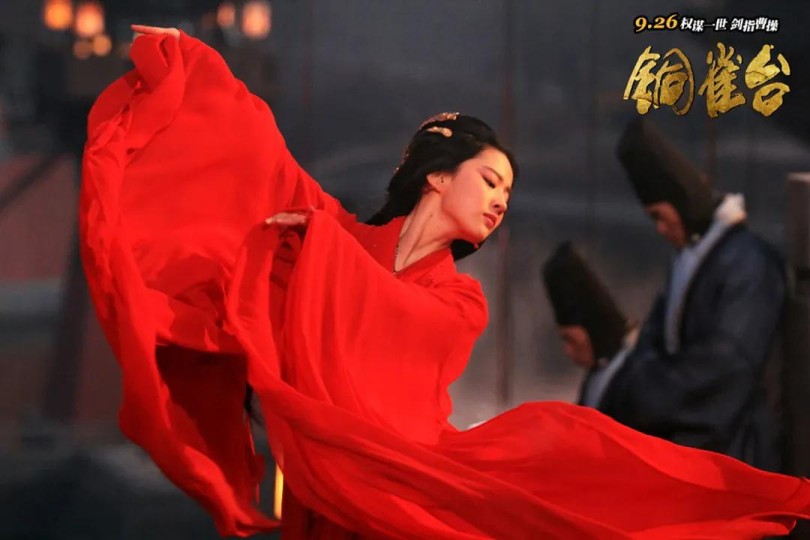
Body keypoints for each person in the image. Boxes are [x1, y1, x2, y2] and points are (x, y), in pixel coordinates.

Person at [78, 26, 810, 538]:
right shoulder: (342, 234)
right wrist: (186, 64)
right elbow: (259, 156)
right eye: (490, 180)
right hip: (324, 487)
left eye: (508, 194)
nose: (500, 201)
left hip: (409, 481)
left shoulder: (457, 296)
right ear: (436, 176)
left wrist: (320, 249)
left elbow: (406, 327)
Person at [599, 117, 786, 472]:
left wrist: (646, 396)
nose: (660, 229)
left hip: (735, 451)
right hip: (693, 441)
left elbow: (728, 364)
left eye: (660, 215)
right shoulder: (690, 260)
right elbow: (652, 339)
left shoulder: (750, 263)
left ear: (681, 200)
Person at [542, 242, 639, 408]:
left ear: (593, 331)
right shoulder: (598, 374)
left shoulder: (635, 377)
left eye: (570, 339)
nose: (567, 350)